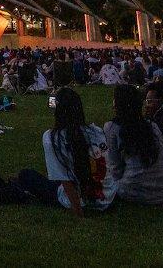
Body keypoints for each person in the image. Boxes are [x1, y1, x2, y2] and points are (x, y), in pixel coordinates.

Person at [16, 87, 113, 215]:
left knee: (26, 175)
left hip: (83, 200)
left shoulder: (52, 138)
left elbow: (65, 180)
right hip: (107, 197)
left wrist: (78, 211)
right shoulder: (96, 131)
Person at [103, 84, 163, 206]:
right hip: (161, 191)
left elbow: (115, 168)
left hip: (131, 190)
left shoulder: (112, 128)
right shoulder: (152, 126)